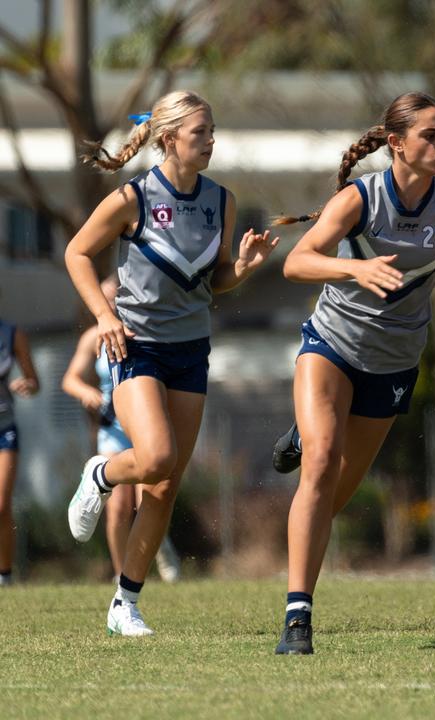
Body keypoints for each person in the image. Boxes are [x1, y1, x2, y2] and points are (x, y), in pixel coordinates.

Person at [271, 92, 435, 655]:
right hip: (332, 346)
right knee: (319, 463)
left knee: (332, 496)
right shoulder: (360, 199)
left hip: (393, 364)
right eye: (430, 136)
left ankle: (302, 433)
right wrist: (354, 267)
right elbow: (296, 261)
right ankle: (297, 620)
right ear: (397, 144)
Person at [63, 90, 278, 636]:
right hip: (137, 345)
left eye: (212, 130)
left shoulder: (221, 201)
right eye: (200, 131)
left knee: (165, 484)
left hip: (191, 351)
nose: (210, 140)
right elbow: (77, 253)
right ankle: (102, 473)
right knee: (155, 456)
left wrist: (246, 268)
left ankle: (124, 604)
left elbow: (217, 278)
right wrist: (103, 317)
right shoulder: (132, 198)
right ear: (169, 139)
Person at [61, 276, 180, 582]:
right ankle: (120, 572)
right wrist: (86, 392)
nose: (111, 304)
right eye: (105, 298)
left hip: (142, 423)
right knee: (117, 508)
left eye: (116, 298)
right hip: (112, 428)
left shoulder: (141, 332)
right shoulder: (92, 338)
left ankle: (160, 543)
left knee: (151, 498)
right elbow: (70, 379)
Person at [0, 302, 40, 586]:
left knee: (1, 505)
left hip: (5, 428)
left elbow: (34, 380)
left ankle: (4, 575)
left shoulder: (12, 334)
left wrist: (27, 384)